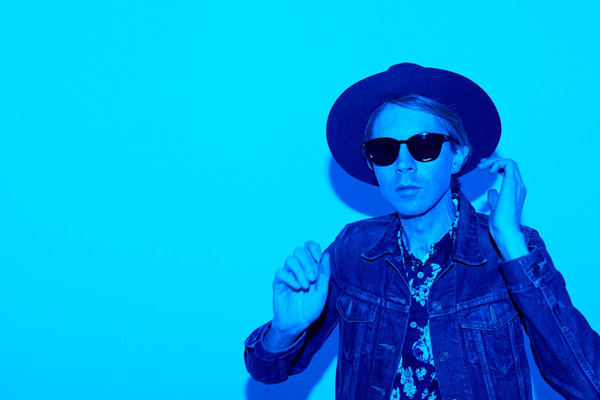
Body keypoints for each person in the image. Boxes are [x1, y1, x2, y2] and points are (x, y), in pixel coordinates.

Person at [243, 63, 600, 400]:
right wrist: (284, 331)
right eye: (384, 149)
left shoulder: (511, 250)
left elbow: (588, 384)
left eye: (424, 145)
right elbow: (266, 370)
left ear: (457, 156)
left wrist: (510, 240)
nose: (403, 165)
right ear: (372, 163)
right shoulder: (352, 250)